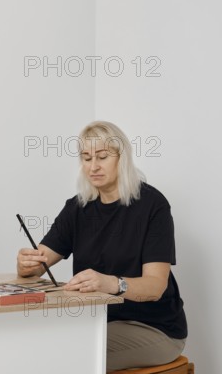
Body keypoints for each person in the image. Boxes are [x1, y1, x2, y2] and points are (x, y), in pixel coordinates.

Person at [16, 121, 187, 372]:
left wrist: (112, 283)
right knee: (38, 347)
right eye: (86, 158)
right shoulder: (77, 208)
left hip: (155, 329)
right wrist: (26, 264)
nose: (93, 166)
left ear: (122, 158)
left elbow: (155, 287)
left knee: (67, 358)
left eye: (102, 157)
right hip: (95, 322)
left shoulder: (153, 206)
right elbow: (39, 266)